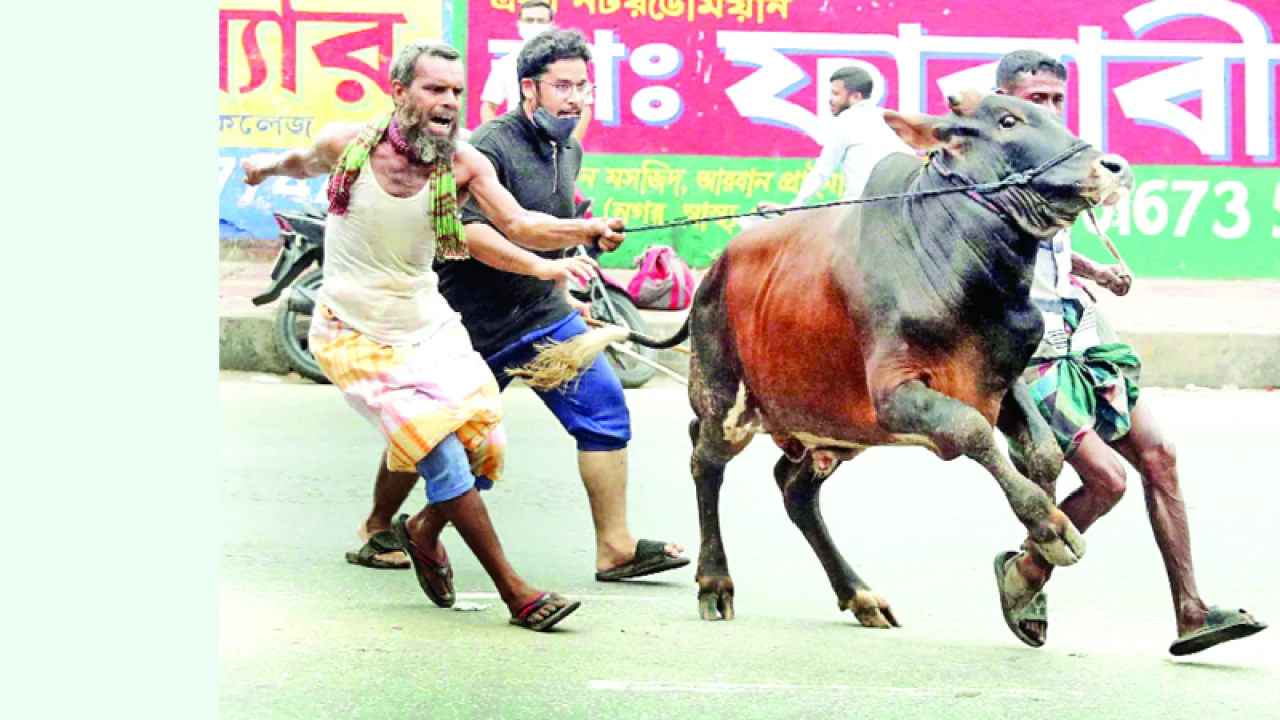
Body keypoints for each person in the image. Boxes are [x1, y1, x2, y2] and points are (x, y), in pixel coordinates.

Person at [240, 39, 627, 631]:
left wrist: (583, 230)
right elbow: (298, 161)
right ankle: (517, 593)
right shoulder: (349, 145)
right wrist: (263, 168)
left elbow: (521, 224)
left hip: (428, 326)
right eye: (435, 90)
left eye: (456, 92)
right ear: (400, 93)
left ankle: (420, 531)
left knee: (483, 441)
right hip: (352, 330)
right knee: (439, 450)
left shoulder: (464, 164)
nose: (449, 103)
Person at [349, 28, 691, 585]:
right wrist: (545, 262)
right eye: (563, 86)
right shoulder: (488, 146)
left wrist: (568, 284)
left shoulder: (567, 148)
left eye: (583, 86)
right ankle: (381, 524)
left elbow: (551, 231)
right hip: (471, 323)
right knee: (436, 442)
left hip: (541, 315)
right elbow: (473, 233)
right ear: (529, 88)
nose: (575, 98)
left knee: (604, 412)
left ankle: (615, 546)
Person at [989, 49, 1266, 655]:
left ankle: (1192, 613)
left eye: (1058, 99)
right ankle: (1028, 572)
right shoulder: (983, 170)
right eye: (1037, 99)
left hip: (1082, 329)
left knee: (1160, 455)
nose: (1052, 110)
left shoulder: (1064, 159)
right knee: (1108, 481)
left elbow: (1055, 245)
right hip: (1029, 348)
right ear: (1005, 102)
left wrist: (1090, 270)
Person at [758, 65, 915, 213]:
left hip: (862, 214)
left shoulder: (847, 121)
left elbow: (823, 171)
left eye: (836, 94)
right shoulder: (888, 118)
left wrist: (793, 207)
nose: (830, 99)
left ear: (856, 97)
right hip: (901, 209)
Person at [478, 0, 591, 143]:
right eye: (529, 20)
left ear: (551, 26)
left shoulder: (566, 62)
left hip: (555, 140)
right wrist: (498, 143)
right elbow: (488, 106)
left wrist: (569, 147)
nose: (535, 25)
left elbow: (585, 109)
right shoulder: (506, 64)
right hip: (518, 141)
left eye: (541, 21)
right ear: (519, 24)